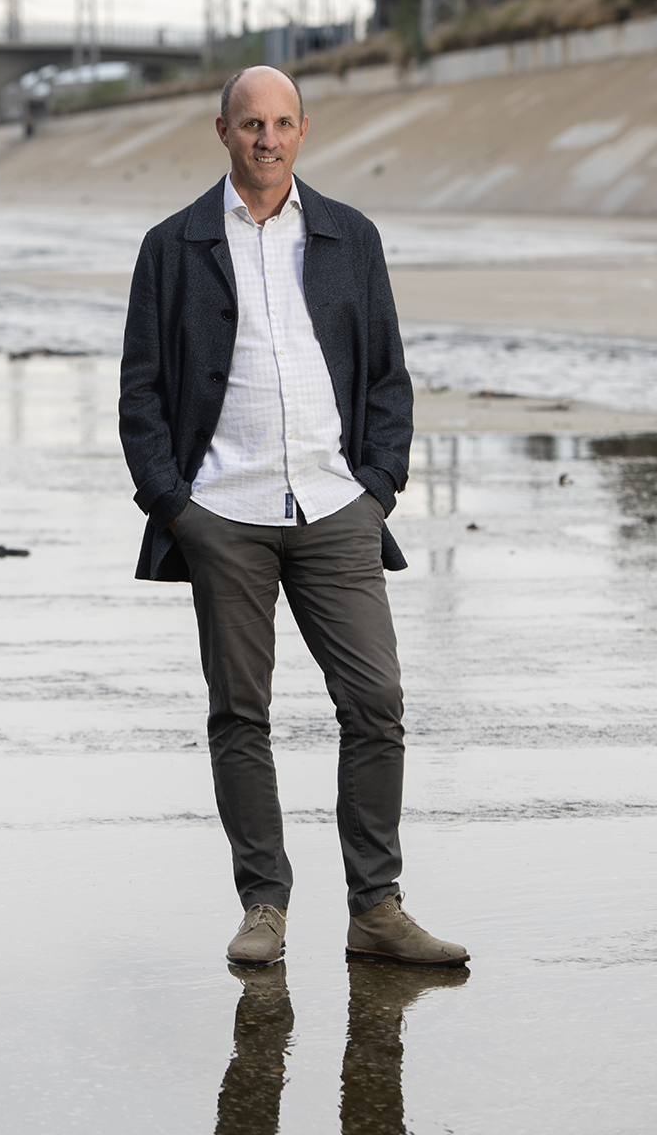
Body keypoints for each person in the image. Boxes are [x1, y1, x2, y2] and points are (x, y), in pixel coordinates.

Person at [118, 65, 468, 969]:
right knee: (241, 714)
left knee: (377, 703)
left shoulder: (351, 236)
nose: (266, 139)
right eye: (250, 125)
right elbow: (141, 395)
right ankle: (264, 906)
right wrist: (176, 507)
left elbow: (389, 379)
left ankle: (377, 907)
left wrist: (378, 486)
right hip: (222, 513)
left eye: (282, 124)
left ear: (303, 131)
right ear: (223, 132)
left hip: (334, 506)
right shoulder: (173, 245)